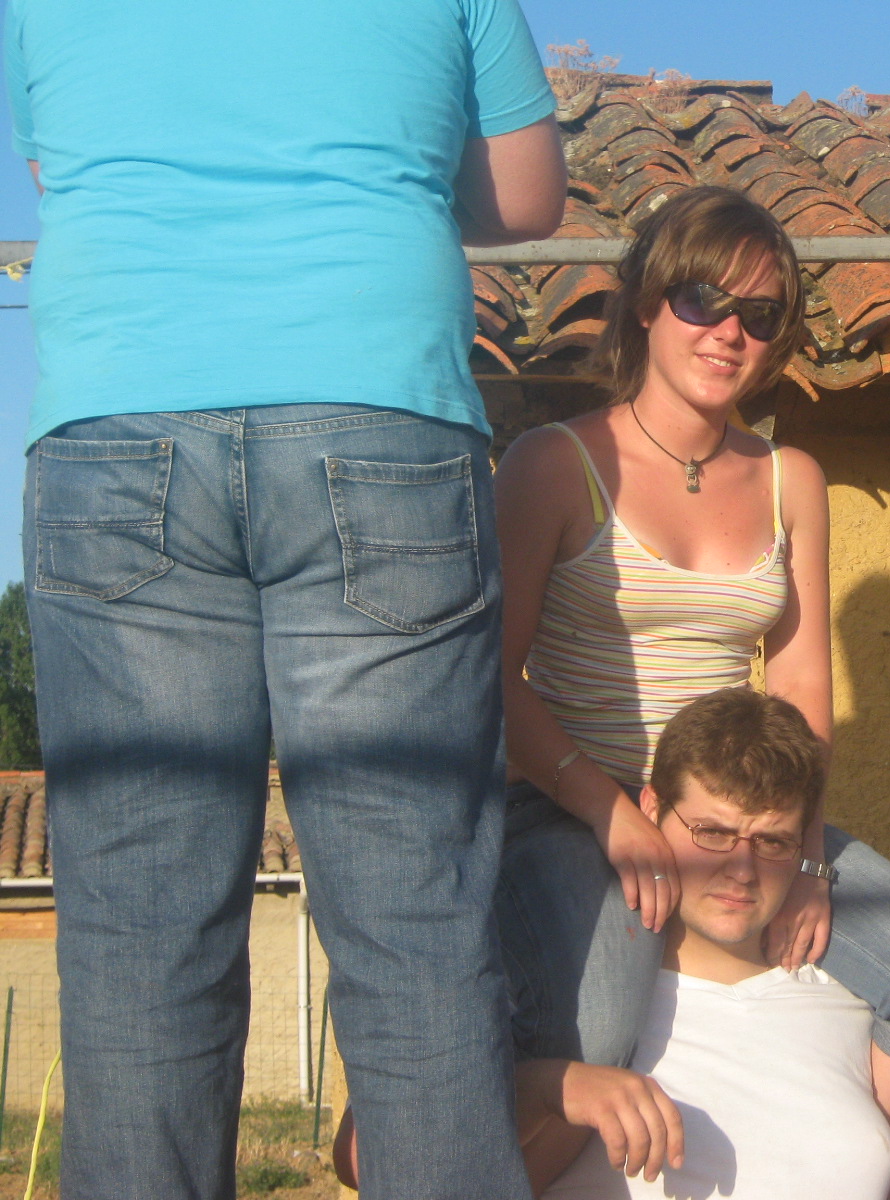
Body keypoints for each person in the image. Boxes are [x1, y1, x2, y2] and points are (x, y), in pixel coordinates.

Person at [5, 2, 566, 1197]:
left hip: (121, 415)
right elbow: (527, 198)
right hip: (378, 408)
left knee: (140, 939)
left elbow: (61, 167)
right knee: (415, 925)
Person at [488, 184, 890, 1186]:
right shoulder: (554, 464)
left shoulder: (790, 480)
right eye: (703, 299)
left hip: (740, 812)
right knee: (599, 1021)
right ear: (647, 302)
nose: (729, 332)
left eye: (760, 314)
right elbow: (489, 679)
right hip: (567, 804)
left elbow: (802, 679)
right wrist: (606, 808)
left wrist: (804, 846)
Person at [532, 688, 890, 1200]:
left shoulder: (850, 1000)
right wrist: (552, 1086)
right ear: (651, 809)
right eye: (712, 833)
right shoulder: (588, 1012)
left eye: (772, 842)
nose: (742, 870)